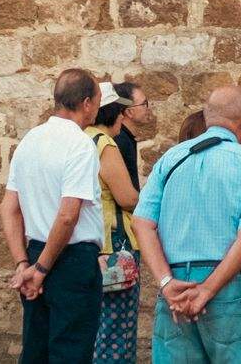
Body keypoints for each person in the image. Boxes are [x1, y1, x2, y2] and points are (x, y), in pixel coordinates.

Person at [132, 85, 241, 364]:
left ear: (207, 115)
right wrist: (207, 289)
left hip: (175, 286)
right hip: (231, 286)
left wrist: (166, 283)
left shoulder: (171, 159)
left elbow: (141, 223)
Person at [0, 68, 105, 364]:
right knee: (70, 350)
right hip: (69, 259)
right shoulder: (80, 144)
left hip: (34, 253)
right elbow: (68, 215)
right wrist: (43, 269)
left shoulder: (30, 140)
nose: (97, 108)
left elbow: (9, 207)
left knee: (36, 349)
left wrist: (24, 264)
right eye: (97, 101)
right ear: (86, 103)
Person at [87, 81, 144, 364]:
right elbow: (127, 198)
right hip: (115, 243)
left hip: (89, 244)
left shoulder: (80, 138)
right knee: (117, 329)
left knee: (96, 327)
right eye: (121, 113)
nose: (124, 118)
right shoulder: (104, 143)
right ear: (114, 113)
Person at [111, 80, 152, 186]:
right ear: (129, 112)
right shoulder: (121, 141)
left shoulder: (125, 137)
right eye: (144, 104)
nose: (148, 108)